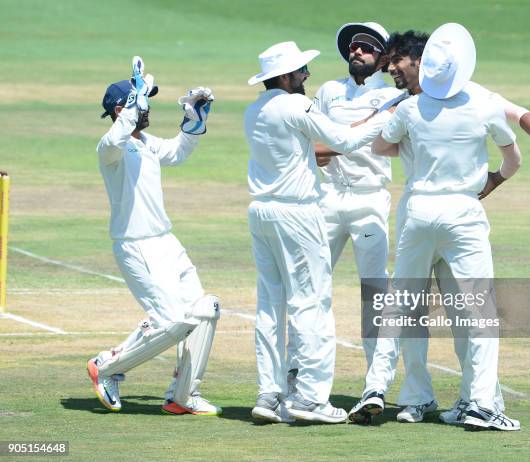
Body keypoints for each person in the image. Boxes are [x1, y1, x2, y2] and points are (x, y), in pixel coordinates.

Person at [349, 28, 530, 426]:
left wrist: (413, 145)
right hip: (463, 212)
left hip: (419, 211)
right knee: (477, 310)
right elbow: (513, 162)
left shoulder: (409, 109)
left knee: (401, 304)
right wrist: (490, 182)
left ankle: (375, 388)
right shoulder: (482, 107)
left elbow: (379, 146)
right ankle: (480, 403)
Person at [244, 41, 393, 424]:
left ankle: (270, 394)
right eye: (300, 71)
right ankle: (310, 399)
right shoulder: (296, 105)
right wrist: (391, 110)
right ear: (284, 77)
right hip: (297, 213)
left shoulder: (254, 109)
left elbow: (331, 139)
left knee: (271, 305)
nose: (307, 75)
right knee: (313, 303)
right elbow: (344, 141)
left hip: (261, 213)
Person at [87, 57, 221, 416]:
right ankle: (107, 368)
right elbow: (116, 137)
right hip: (136, 245)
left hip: (166, 241)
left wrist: (194, 117)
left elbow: (177, 152)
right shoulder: (109, 148)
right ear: (123, 107)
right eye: (143, 100)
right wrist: (134, 105)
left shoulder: (145, 142)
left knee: (204, 310)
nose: (149, 107)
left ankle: (182, 395)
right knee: (173, 321)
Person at [308, 22, 403, 368]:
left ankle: (375, 381)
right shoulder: (329, 91)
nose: (357, 51)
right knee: (311, 284)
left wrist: (336, 142)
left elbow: (384, 145)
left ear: (382, 59)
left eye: (366, 47)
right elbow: (313, 148)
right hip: (328, 197)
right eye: (353, 47)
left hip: (369, 199)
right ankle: (299, 371)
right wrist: (354, 138)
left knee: (374, 291)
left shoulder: (395, 96)